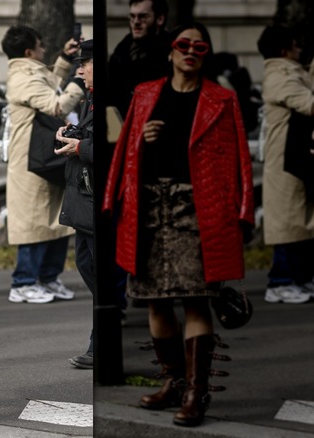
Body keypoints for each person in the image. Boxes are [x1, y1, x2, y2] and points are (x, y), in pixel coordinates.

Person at [103, 23, 254, 427]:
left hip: (198, 208)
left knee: (195, 299)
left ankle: (195, 392)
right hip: (149, 208)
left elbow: (240, 159)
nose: (190, 51)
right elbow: (125, 154)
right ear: (170, 51)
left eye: (199, 47)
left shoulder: (221, 99)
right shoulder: (146, 93)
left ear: (205, 55)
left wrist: (243, 215)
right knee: (155, 300)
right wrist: (141, 139)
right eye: (183, 45)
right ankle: (173, 381)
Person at [1, 25, 83, 304]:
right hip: (31, 162)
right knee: (34, 224)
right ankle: (23, 282)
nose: (44, 49)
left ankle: (48, 277)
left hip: (43, 159)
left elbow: (48, 85)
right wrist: (80, 81)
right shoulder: (23, 78)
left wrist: (65, 59)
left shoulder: (30, 73)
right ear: (29, 52)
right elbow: (56, 105)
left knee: (56, 220)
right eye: (41, 45)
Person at [256, 25, 314, 304]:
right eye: (295, 44)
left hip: (296, 161)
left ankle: (300, 279)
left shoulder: (293, 73)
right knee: (287, 225)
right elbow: (310, 104)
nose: (300, 48)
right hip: (284, 165)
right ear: (284, 50)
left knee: (300, 224)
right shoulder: (280, 76)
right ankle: (279, 282)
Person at [54, 40, 95, 369]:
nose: (80, 70)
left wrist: (79, 147)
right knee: (86, 265)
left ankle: (101, 346)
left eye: (85, 63)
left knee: (98, 273)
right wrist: (74, 133)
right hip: (83, 200)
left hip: (95, 200)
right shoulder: (91, 98)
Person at [107, 0, 170, 117]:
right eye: (132, 16)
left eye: (143, 17)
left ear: (160, 19)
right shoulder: (122, 51)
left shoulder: (171, 53)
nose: (136, 22)